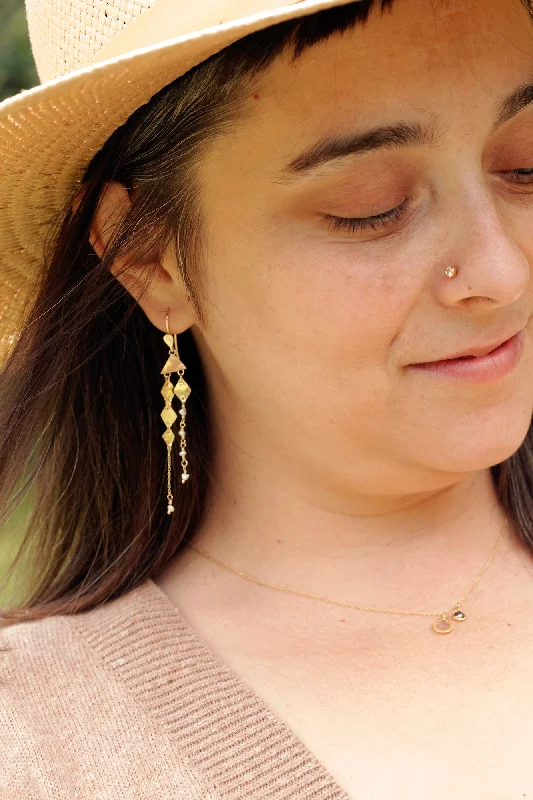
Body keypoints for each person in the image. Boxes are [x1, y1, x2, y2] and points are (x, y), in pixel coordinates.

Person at [1, 0, 533, 795]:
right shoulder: (35, 747)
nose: (500, 272)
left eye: (526, 166)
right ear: (146, 257)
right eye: (369, 206)